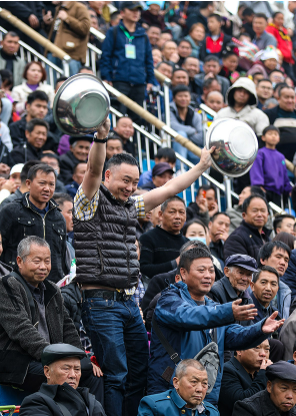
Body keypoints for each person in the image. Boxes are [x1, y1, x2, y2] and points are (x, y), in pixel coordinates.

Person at [73, 116, 218, 416]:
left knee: (139, 372)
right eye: (125, 180)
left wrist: (202, 166)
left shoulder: (132, 206)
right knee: (117, 375)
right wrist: (100, 138)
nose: (130, 187)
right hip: (100, 303)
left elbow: (168, 189)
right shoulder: (88, 202)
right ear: (109, 175)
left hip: (129, 303)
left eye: (135, 182)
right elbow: (93, 169)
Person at [148, 246, 284, 404]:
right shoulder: (168, 300)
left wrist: (260, 329)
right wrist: (227, 312)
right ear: (183, 273)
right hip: (171, 391)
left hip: (206, 395)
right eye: (201, 270)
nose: (208, 276)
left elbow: (235, 336)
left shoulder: (213, 307)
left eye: (211, 270)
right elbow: (187, 316)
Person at [0, 236, 103, 396]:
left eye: (47, 261)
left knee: (94, 375)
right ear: (20, 261)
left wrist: (79, 359)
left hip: (47, 360)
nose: (43, 267)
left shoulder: (53, 290)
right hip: (13, 363)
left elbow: (68, 329)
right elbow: (21, 329)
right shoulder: (6, 285)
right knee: (63, 376)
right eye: (37, 261)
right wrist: (55, 358)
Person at [0, 163, 69, 283]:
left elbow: (61, 255)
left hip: (51, 285)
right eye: (42, 183)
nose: (47, 188)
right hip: (17, 283)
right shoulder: (11, 211)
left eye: (51, 184)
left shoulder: (58, 217)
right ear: (28, 184)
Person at [100, 2, 155, 123]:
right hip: (119, 81)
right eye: (132, 10)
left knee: (137, 118)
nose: (136, 13)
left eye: (138, 10)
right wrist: (106, 77)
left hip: (139, 82)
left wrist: (151, 80)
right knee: (119, 115)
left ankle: (134, 142)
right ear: (122, 13)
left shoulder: (143, 35)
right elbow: (106, 56)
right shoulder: (113, 32)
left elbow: (149, 60)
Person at [18, 344, 105, 416]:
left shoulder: (91, 402)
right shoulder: (35, 404)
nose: (73, 375)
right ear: (47, 372)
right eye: (66, 369)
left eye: (77, 369)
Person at [138, 359, 219, 416]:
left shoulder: (212, 412)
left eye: (204, 383)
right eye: (194, 382)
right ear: (176, 383)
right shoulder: (154, 406)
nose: (200, 389)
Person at [232, 360, 296, 416]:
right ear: (269, 386)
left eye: (295, 389)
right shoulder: (247, 409)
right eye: (284, 388)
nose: (290, 396)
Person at [139, 196, 189, 278]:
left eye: (181, 212)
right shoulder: (147, 238)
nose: (177, 216)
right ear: (160, 215)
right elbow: (143, 269)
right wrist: (175, 263)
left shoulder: (187, 243)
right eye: (172, 212)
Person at [218, 340, 272, 416]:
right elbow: (242, 402)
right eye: (256, 347)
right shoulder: (227, 370)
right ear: (239, 350)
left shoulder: (258, 373)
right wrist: (263, 373)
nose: (263, 354)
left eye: (267, 349)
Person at [264, 85, 296, 161]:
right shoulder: (269, 115)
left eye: (292, 97)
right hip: (276, 161)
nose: (290, 100)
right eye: (286, 97)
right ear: (278, 99)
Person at [249, 126, 292, 207]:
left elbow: (284, 175)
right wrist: (258, 186)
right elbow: (256, 170)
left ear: (279, 138)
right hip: (264, 191)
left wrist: (288, 189)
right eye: (270, 134)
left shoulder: (281, 156)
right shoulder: (260, 153)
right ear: (263, 138)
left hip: (278, 193)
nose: (273, 136)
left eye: (276, 134)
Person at [208, 254, 257, 324]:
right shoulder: (215, 292)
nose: (245, 279)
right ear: (226, 271)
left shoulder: (248, 299)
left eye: (249, 275)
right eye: (240, 273)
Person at [46, 2, 90, 76]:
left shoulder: (79, 7)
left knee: (72, 85)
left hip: (71, 55)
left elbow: (85, 28)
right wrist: (46, 23)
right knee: (54, 86)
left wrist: (67, 18)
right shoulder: (59, 8)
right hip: (54, 53)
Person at [224, 195, 271, 261]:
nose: (260, 214)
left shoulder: (267, 238)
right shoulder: (236, 238)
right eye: (255, 211)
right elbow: (238, 269)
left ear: (267, 214)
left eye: (263, 211)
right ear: (244, 215)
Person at [256, 243, 293, 323]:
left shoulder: (286, 290)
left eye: (286, 260)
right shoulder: (248, 285)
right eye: (278, 257)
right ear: (262, 260)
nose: (283, 263)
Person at [169, 85, 203, 166]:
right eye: (180, 96)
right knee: (181, 134)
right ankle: (180, 170)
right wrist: (192, 131)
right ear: (174, 98)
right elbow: (172, 126)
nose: (183, 99)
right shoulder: (169, 111)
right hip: (173, 147)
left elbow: (201, 137)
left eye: (186, 96)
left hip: (192, 150)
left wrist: (187, 136)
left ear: (190, 98)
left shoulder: (195, 114)